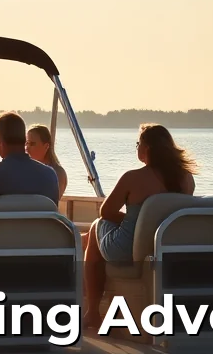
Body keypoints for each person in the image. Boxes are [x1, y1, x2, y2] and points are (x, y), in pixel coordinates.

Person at [83, 124, 197, 327]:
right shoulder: (186, 179)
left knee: (95, 226)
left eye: (138, 143)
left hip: (126, 249)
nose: (137, 147)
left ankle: (92, 311)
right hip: (163, 248)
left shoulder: (132, 178)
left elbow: (106, 212)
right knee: (94, 232)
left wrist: (134, 224)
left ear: (147, 149)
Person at [25, 123, 68, 197]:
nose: (27, 148)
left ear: (46, 146)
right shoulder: (25, 170)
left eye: (32, 144)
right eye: (26, 143)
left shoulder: (58, 173)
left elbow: (51, 202)